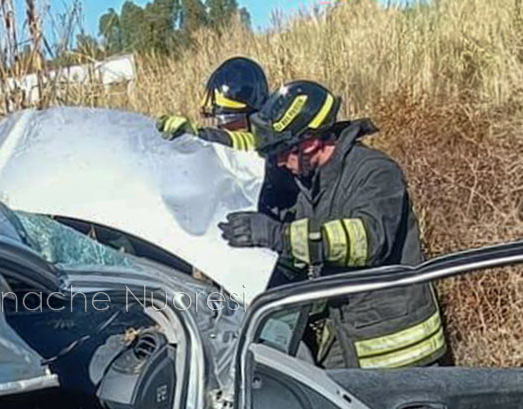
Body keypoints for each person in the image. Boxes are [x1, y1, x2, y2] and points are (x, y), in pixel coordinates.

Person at [219, 80, 447, 369]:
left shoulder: (375, 172)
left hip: (398, 351)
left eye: (281, 152)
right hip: (348, 336)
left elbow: (367, 240)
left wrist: (278, 236)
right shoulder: (312, 182)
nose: (276, 163)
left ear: (311, 142)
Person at [155, 56, 268, 150]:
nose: (222, 129)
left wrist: (199, 134)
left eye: (230, 123)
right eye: (216, 123)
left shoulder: (269, 146)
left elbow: (246, 142)